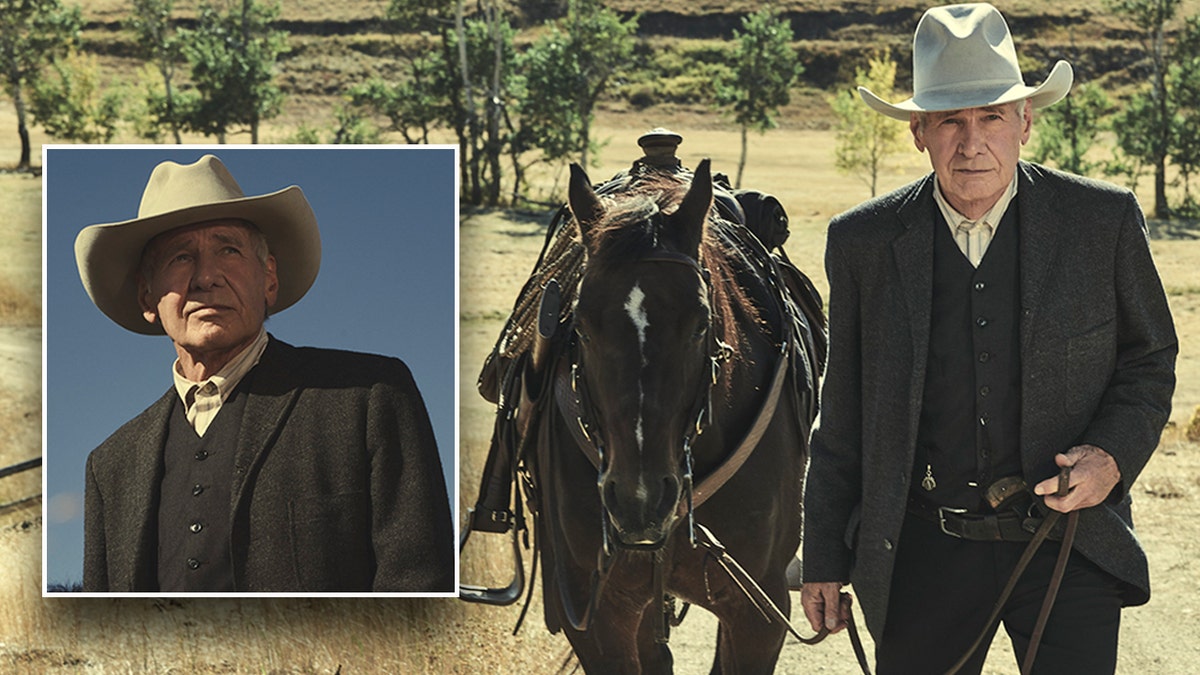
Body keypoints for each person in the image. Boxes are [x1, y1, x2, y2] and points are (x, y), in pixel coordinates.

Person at [799, 4, 1177, 673]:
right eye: (950, 120)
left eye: (992, 117)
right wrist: (824, 554)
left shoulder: (1103, 221)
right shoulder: (862, 242)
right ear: (918, 131)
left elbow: (1149, 360)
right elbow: (845, 407)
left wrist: (1111, 457)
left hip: (1068, 543)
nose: (972, 142)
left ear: (1025, 122)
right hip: (923, 549)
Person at [76, 154, 455, 593]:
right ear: (147, 296)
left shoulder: (368, 396)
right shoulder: (110, 465)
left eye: (228, 250)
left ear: (269, 278)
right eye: (180, 258)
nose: (206, 277)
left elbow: (419, 585)